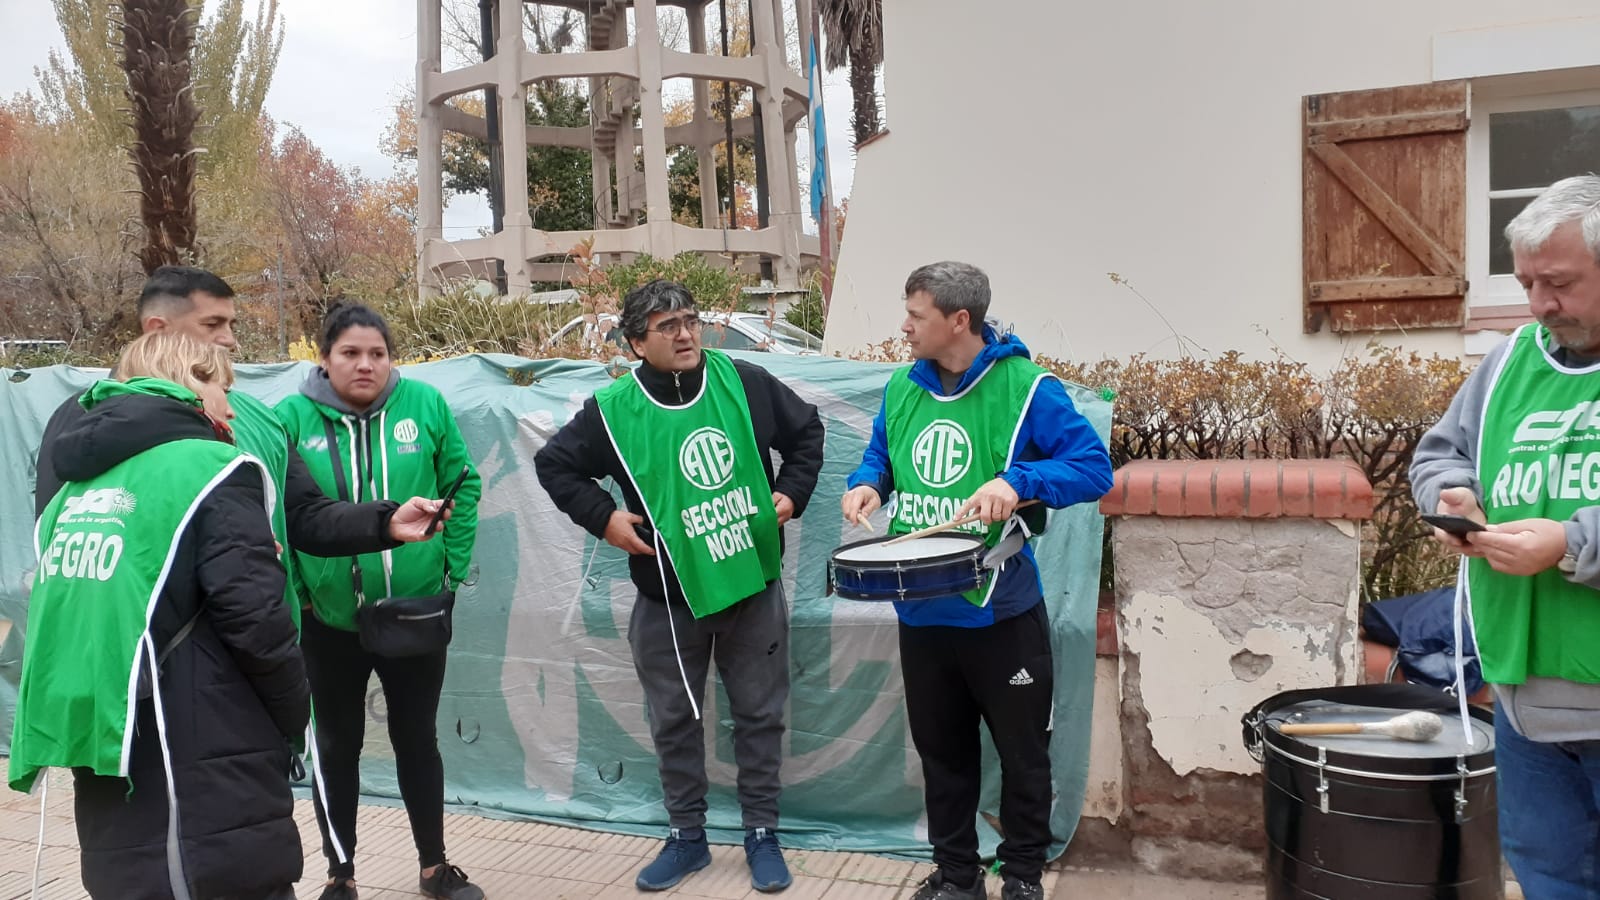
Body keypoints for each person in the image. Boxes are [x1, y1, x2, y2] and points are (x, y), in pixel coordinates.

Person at [535, 279, 825, 893]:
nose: (686, 333)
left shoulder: (743, 382)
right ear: (637, 342)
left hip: (751, 582)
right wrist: (604, 518)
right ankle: (687, 838)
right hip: (666, 601)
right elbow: (554, 464)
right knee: (674, 720)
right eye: (667, 326)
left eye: (690, 320)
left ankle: (762, 835)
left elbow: (807, 434)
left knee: (759, 714)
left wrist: (792, 493)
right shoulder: (612, 411)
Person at [839, 261, 1112, 900]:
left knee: (1023, 757)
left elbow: (1093, 469)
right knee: (943, 757)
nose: (903, 327)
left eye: (917, 316)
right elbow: (882, 452)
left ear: (960, 321)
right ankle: (958, 876)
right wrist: (867, 482)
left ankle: (1021, 875)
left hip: (1000, 611)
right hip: (921, 611)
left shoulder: (1029, 389)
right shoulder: (903, 388)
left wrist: (1019, 482)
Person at [10, 332, 309, 900]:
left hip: (104, 739)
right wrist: (294, 716)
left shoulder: (75, 486)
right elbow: (259, 623)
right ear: (195, 380)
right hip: (203, 751)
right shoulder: (212, 467)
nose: (230, 407)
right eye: (224, 388)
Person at [1411, 174, 1600, 899]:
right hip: (1524, 702)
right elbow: (1439, 455)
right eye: (1526, 283)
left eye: (1558, 283)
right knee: (1549, 877)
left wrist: (1573, 542)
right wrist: (1451, 496)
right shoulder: (1508, 362)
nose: (1539, 304)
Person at [32, 266, 449, 586]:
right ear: (158, 331)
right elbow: (64, 550)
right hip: (139, 669)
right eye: (212, 325)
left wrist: (384, 523)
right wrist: (216, 558)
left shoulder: (256, 417)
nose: (230, 340)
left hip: (250, 654)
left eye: (232, 325)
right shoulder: (81, 422)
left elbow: (305, 514)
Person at [275, 302, 483, 900]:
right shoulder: (290, 417)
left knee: (417, 739)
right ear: (325, 358)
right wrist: (298, 595)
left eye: (378, 353)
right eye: (350, 353)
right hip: (327, 619)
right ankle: (340, 874)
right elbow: (279, 513)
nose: (366, 365)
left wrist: (451, 568)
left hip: (413, 612)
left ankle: (433, 868)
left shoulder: (425, 405)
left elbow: (461, 483)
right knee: (336, 746)